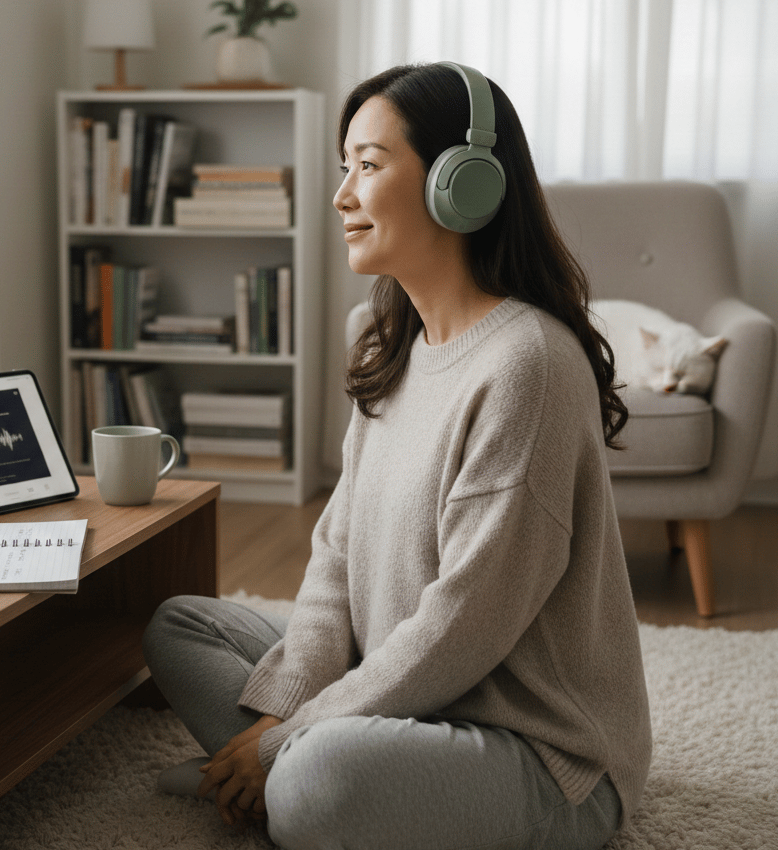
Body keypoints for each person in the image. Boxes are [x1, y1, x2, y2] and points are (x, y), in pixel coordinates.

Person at [142, 61, 652, 850]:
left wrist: (282, 741)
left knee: (318, 779)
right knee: (181, 626)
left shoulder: (528, 365)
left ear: (464, 183)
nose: (342, 194)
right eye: (344, 167)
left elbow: (464, 627)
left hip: (536, 752)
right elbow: (336, 559)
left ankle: (292, 782)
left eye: (369, 166)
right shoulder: (393, 346)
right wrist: (290, 710)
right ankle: (302, 775)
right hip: (406, 696)